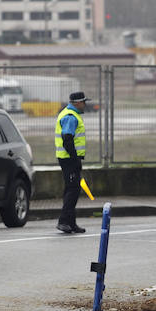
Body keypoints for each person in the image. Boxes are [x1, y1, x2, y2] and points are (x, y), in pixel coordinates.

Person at [55, 91, 89, 233]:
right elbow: (67, 139)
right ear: (77, 103)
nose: (85, 105)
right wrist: (75, 159)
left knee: (72, 189)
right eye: (84, 102)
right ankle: (63, 221)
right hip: (69, 159)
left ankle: (71, 223)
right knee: (72, 190)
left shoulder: (70, 114)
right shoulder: (70, 116)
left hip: (69, 158)